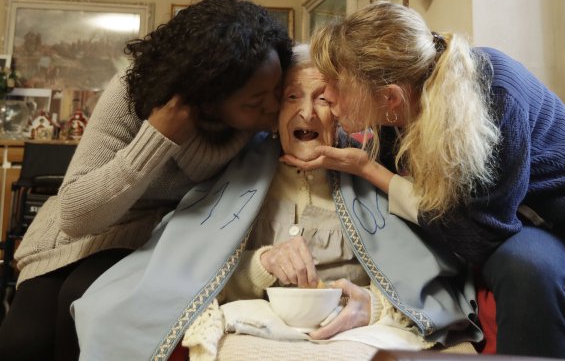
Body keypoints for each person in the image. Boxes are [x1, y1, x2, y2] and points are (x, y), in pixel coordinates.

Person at [72, 44, 482, 360]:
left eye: (323, 98)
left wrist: (372, 306)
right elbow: (190, 276)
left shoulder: (371, 172)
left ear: (341, 111)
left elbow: (426, 284)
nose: (306, 111)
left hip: (352, 334)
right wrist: (262, 264)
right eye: (291, 98)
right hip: (259, 332)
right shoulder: (237, 174)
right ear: (273, 110)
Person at [280, 2, 565, 361]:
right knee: (527, 266)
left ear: (389, 97)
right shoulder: (398, 112)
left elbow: (479, 236)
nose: (326, 97)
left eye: (334, 85)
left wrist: (369, 170)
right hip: (531, 222)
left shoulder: (491, 94)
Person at [0, 0, 292, 361]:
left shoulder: (263, 115)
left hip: (161, 244)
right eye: (255, 102)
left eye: (278, 92)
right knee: (21, 342)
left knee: (81, 309)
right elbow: (76, 216)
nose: (273, 106)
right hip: (81, 234)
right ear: (207, 97)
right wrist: (157, 138)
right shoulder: (132, 95)